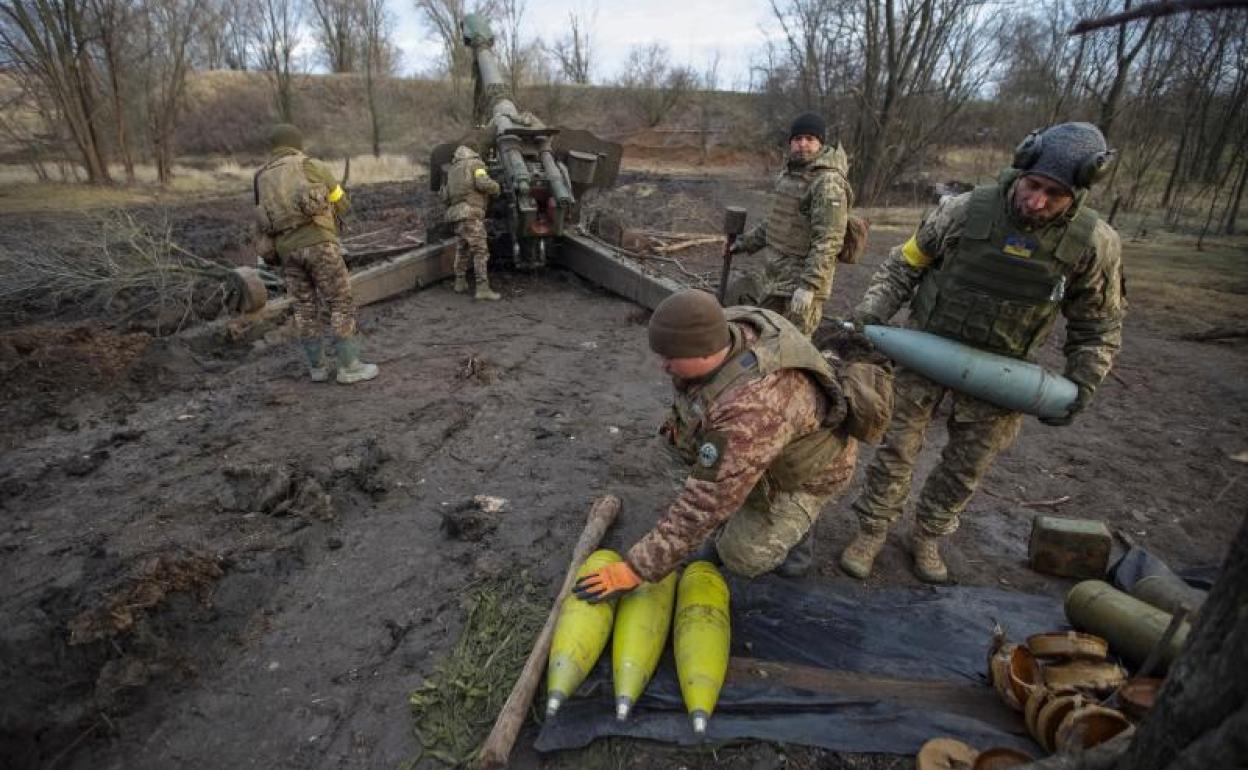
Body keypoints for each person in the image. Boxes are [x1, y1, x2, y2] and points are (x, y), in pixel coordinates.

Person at [840, 122, 1126, 583]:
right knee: (896, 449)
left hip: (1004, 374)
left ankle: (928, 534)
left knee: (966, 466)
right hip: (925, 352)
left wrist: (1084, 382)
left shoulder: (1093, 244)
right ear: (1021, 169)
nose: (1036, 202)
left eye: (1054, 194)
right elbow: (905, 264)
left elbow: (1098, 324)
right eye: (1032, 186)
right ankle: (872, 529)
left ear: (1079, 192)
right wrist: (871, 314)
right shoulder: (964, 211)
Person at [572, 290, 860, 603]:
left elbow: (705, 503)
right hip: (763, 444)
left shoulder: (753, 409)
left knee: (741, 556)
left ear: (703, 352)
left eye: (671, 358)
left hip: (807, 473)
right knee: (674, 449)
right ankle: (745, 492)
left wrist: (636, 569)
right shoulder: (725, 325)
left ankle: (799, 534)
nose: (662, 366)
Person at [253, 123, 378, 384]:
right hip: (319, 245)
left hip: (287, 252)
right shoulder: (310, 165)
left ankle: (318, 368)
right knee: (340, 302)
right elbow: (341, 202)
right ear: (297, 143)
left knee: (304, 309)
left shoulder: (260, 177)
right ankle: (349, 367)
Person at [727, 112, 852, 336]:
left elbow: (829, 241)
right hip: (775, 279)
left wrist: (809, 286)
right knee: (764, 339)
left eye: (809, 139)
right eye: (797, 139)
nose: (802, 144)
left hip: (800, 287)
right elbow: (776, 222)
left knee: (793, 349)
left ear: (820, 143)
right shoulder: (790, 174)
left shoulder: (828, 182)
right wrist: (744, 244)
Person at [442, 145, 502, 301]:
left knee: (462, 248)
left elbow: (445, 197)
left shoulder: (452, 171)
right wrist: (497, 188)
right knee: (480, 250)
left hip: (456, 215)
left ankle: (459, 283)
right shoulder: (476, 164)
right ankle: (482, 288)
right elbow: (483, 183)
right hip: (471, 214)